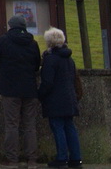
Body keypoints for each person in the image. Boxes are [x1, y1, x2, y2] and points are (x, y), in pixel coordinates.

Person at [0, 13, 41, 169]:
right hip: (29, 88)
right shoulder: (32, 42)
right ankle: (32, 160)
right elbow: (37, 64)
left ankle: (13, 160)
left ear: (10, 26)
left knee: (12, 124)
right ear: (24, 27)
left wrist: (3, 71)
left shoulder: (4, 40)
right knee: (30, 125)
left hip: (10, 88)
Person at [38, 26, 82, 168]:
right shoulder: (69, 59)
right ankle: (76, 159)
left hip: (55, 99)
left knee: (58, 127)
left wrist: (40, 95)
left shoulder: (50, 60)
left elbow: (48, 82)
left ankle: (62, 158)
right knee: (70, 127)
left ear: (49, 43)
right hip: (69, 98)